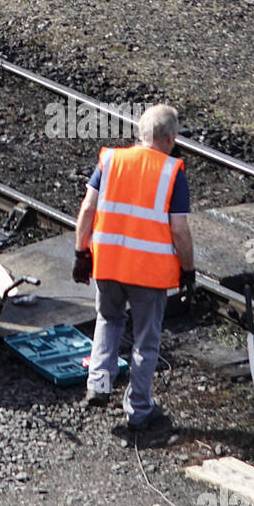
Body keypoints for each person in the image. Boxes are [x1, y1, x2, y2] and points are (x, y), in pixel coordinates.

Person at [71, 103, 196, 429]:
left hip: (108, 264)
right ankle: (138, 410)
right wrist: (188, 270)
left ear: (142, 134)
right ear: (169, 137)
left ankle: (98, 384)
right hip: (148, 273)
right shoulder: (172, 172)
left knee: (108, 319)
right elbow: (180, 229)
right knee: (145, 341)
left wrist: (81, 252)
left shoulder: (111, 160)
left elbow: (87, 209)